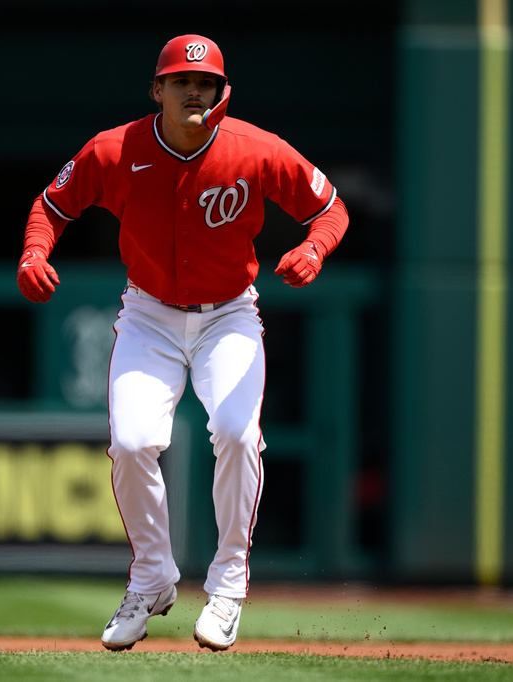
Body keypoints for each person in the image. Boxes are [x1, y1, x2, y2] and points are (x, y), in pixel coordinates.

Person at [17, 34, 349, 651]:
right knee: (132, 440)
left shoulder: (256, 149)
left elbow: (330, 210)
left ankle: (227, 584)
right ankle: (152, 576)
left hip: (229, 314)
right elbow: (52, 204)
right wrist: (35, 251)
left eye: (206, 83)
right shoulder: (115, 149)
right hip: (149, 313)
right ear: (157, 90)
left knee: (236, 432)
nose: (195, 91)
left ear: (222, 92)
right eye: (181, 81)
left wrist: (313, 248)